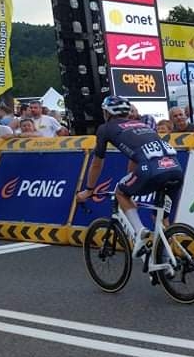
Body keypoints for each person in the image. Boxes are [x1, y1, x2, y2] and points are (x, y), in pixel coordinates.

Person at [75, 96, 183, 258]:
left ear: (107, 113)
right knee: (161, 220)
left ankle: (140, 232)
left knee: (121, 192)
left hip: (150, 170)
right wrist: (131, 179)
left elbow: (97, 163)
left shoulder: (105, 128)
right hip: (175, 169)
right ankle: (168, 263)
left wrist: (89, 190)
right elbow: (135, 158)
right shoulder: (142, 125)